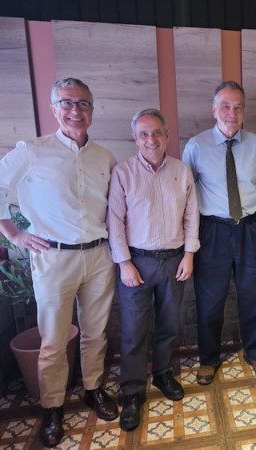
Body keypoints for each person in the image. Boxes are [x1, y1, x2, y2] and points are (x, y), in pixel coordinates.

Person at [0, 78, 118, 447]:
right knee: (53, 340)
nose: (75, 110)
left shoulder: (105, 156)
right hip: (53, 258)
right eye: (67, 102)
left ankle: (93, 389)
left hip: (99, 255)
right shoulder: (32, 151)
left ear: (92, 109)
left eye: (83, 103)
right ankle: (53, 406)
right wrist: (14, 235)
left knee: (96, 332)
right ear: (53, 108)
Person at [107, 108, 199, 431]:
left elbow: (191, 216)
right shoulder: (123, 173)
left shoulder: (181, 171)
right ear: (135, 138)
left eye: (157, 132)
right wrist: (124, 263)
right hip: (137, 263)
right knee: (134, 331)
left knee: (169, 324)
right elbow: (115, 221)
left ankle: (162, 373)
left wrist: (189, 255)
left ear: (167, 136)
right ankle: (132, 391)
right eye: (144, 134)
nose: (151, 139)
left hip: (174, 260)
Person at [182, 80, 256, 384]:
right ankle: (208, 359)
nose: (232, 113)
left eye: (238, 107)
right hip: (212, 231)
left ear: (244, 111)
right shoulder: (196, 146)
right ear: (214, 109)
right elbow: (187, 194)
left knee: (255, 296)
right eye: (225, 106)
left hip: (249, 228)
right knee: (209, 300)